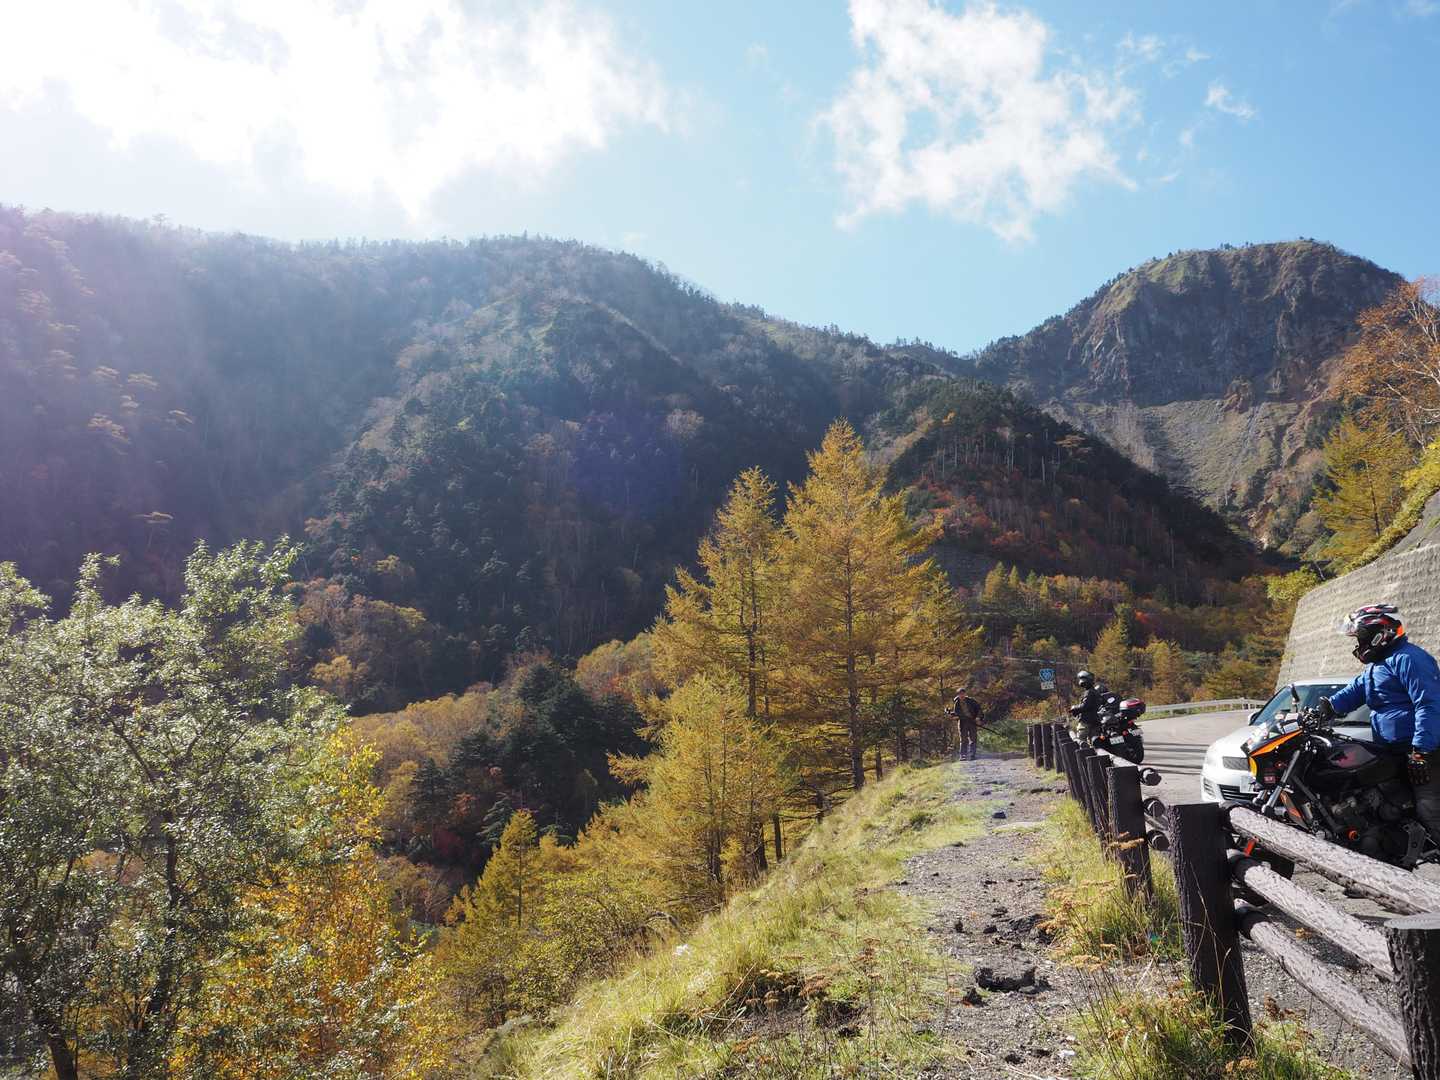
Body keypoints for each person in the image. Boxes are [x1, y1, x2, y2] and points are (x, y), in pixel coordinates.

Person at [1319, 604, 1440, 842]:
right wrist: (1328, 707)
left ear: (1381, 633)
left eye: (1362, 637)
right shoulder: (1379, 664)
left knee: (1429, 809)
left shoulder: (1410, 658)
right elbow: (1356, 691)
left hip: (1419, 751)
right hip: (1389, 749)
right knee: (1386, 805)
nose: (1359, 644)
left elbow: (1429, 705)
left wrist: (1421, 751)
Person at [1069, 670, 1106, 745]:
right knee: (1094, 742)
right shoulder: (1095, 691)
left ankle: (1084, 753)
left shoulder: (1089, 692)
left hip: (1086, 721)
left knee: (1080, 741)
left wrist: (1074, 708)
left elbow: (1085, 706)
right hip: (1095, 719)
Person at [950, 686, 982, 761]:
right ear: (958, 695)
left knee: (973, 738)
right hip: (962, 722)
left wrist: (978, 717)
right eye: (960, 694)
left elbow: (979, 709)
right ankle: (963, 755)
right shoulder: (956, 703)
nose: (962, 695)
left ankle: (972, 754)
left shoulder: (971, 701)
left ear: (965, 694)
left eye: (963, 693)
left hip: (972, 721)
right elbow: (956, 714)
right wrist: (954, 716)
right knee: (963, 739)